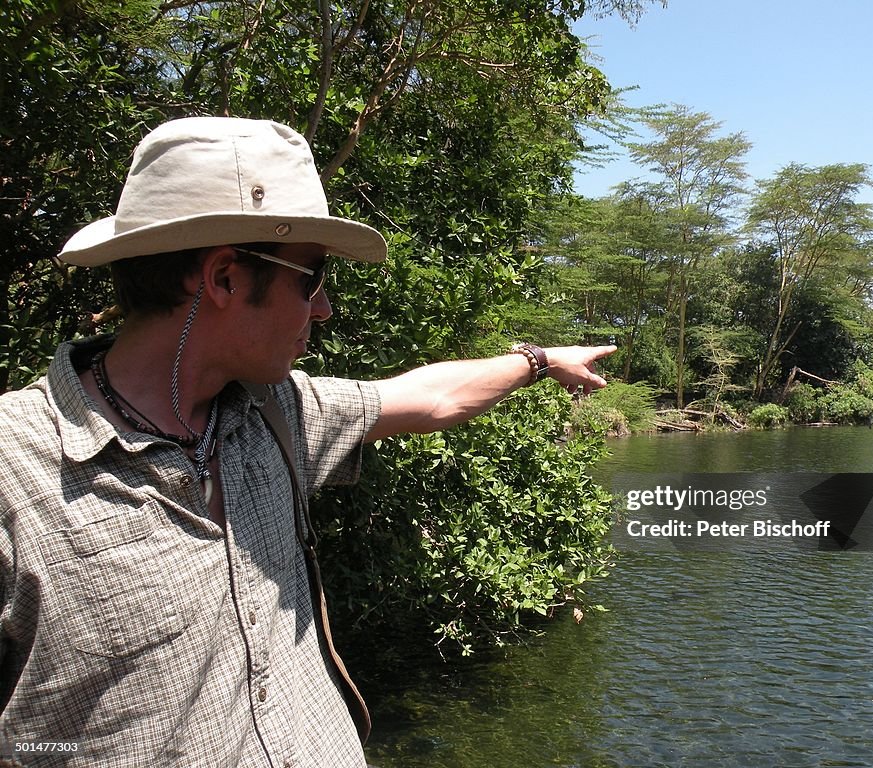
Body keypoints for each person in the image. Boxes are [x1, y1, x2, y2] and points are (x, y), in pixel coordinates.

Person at [0, 117, 615, 767]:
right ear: (224, 279)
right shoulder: (15, 469)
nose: (323, 308)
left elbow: (432, 397)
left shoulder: (277, 411)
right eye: (312, 276)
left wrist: (539, 361)